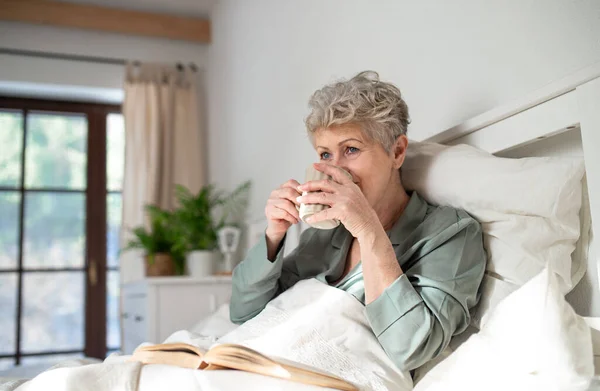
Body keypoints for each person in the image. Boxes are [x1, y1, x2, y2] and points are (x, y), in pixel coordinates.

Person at [230, 71, 486, 372]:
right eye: (325, 154)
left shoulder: (450, 233)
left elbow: (411, 348)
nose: (334, 168)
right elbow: (243, 313)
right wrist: (274, 235)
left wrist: (368, 230)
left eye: (351, 149)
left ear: (398, 152)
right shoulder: (326, 233)